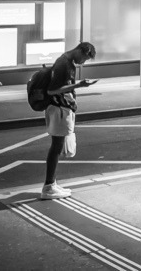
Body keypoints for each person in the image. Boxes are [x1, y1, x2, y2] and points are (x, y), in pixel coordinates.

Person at [41, 41, 97, 200]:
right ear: (81, 51)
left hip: (61, 108)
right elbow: (52, 90)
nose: (83, 63)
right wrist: (79, 85)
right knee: (56, 147)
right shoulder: (64, 64)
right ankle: (48, 187)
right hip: (59, 109)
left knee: (57, 147)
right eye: (85, 59)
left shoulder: (65, 62)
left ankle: (52, 183)